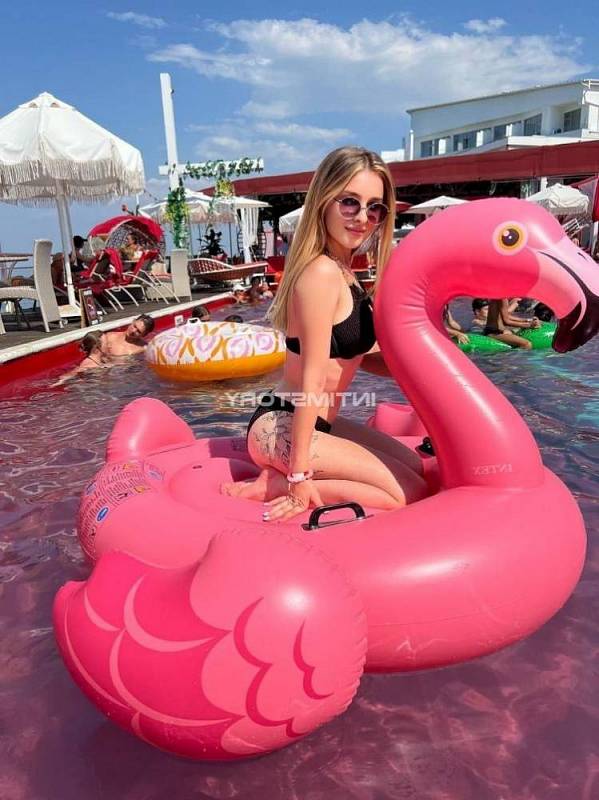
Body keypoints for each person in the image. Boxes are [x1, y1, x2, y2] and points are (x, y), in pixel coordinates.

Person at [222, 145, 428, 521]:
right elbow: (312, 381)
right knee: (407, 493)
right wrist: (298, 476)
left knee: (414, 466)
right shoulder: (320, 273)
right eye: (349, 202)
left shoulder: (346, 274)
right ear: (323, 200)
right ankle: (276, 482)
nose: (362, 217)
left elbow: (357, 357)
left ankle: (291, 472)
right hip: (280, 424)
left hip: (319, 423)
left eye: (375, 208)